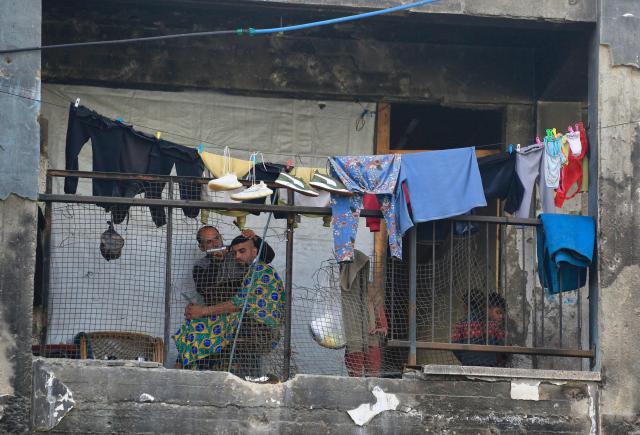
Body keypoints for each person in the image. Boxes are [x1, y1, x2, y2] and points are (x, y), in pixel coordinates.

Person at [174, 234, 285, 372]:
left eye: (242, 251)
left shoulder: (261, 270)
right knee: (194, 327)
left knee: (197, 329)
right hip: (240, 320)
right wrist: (217, 263)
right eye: (209, 241)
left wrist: (202, 311)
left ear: (255, 252)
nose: (237, 256)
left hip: (259, 328)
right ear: (202, 247)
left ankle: (182, 372)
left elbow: (239, 302)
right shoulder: (203, 266)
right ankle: (182, 371)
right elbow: (206, 290)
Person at [451, 291, 506, 367]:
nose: (501, 317)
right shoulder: (493, 325)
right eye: (498, 312)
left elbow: (455, 345)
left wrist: (465, 358)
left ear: (465, 306)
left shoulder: (461, 323)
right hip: (490, 365)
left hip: (468, 364)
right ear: (485, 307)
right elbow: (502, 345)